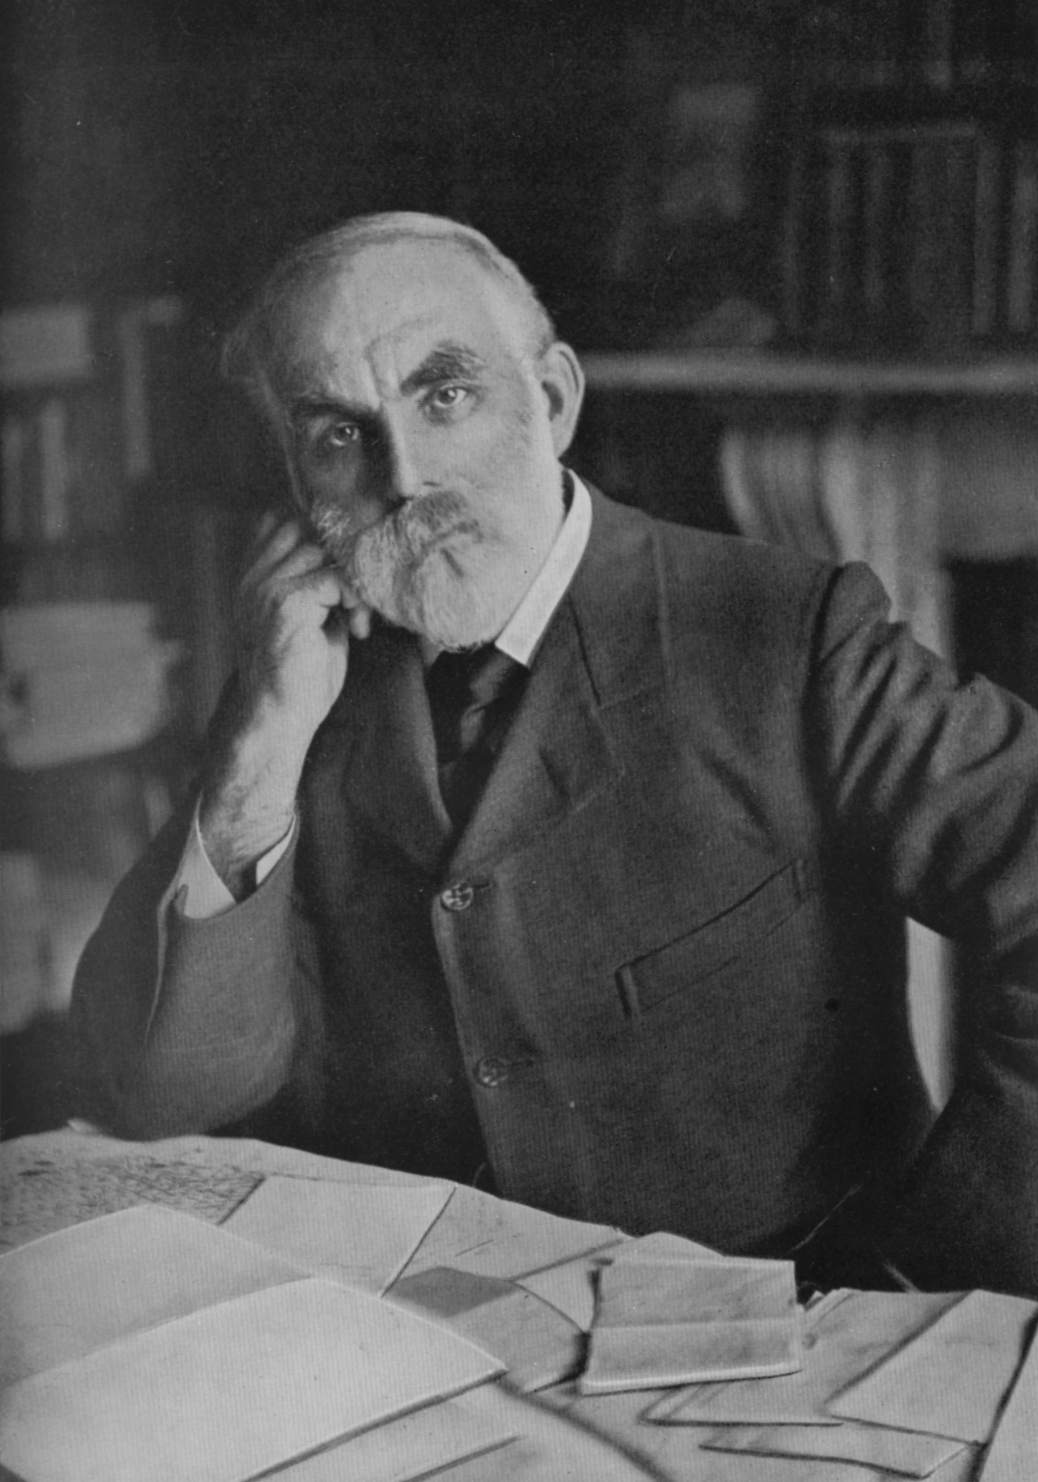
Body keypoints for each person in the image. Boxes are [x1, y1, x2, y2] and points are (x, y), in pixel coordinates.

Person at [71, 212, 1038, 1297]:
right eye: (338, 436)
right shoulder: (296, 681)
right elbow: (158, 1097)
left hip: (782, 1342)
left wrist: (939, 1274)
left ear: (555, 400)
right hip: (420, 1344)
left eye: (446, 395)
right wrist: (258, 743)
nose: (404, 477)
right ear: (296, 483)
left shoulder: (785, 634)